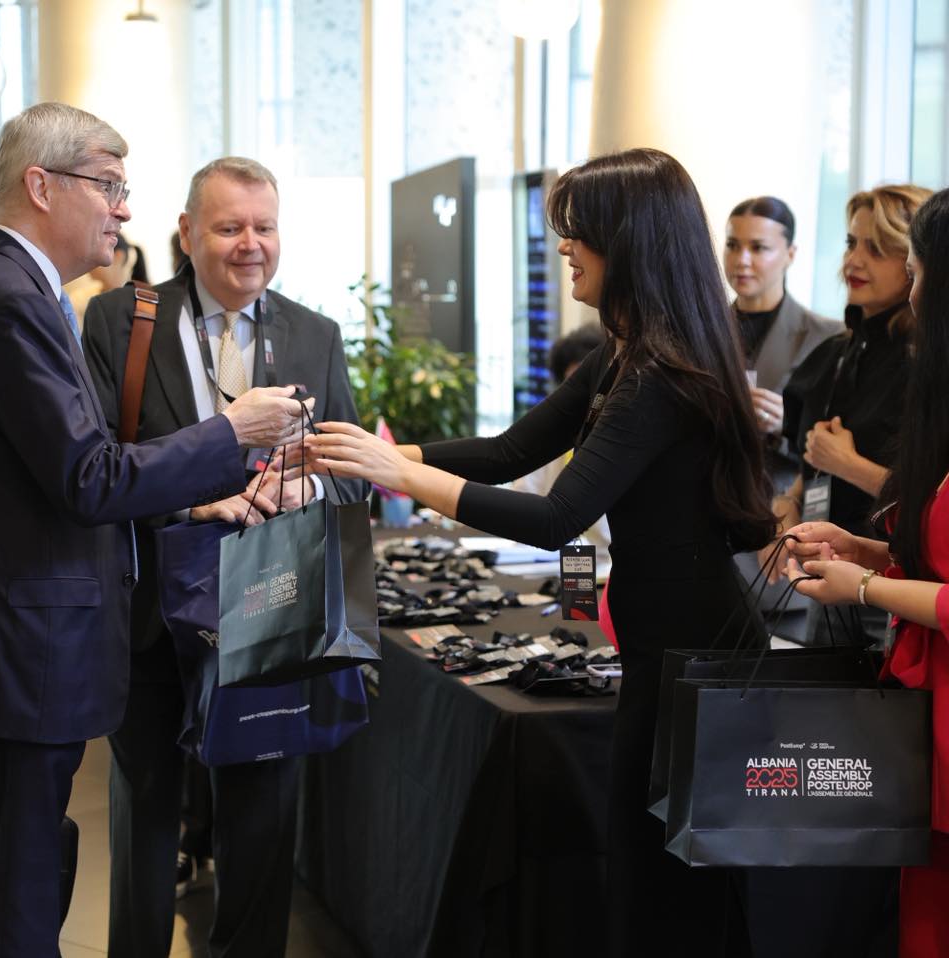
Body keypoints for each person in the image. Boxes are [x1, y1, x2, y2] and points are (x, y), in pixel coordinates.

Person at [302, 147, 775, 957]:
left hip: (698, 661)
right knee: (646, 875)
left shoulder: (659, 374)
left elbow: (557, 516)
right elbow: (508, 451)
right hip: (666, 650)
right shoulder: (625, 354)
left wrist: (400, 474)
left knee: (673, 889)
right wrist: (378, 454)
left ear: (626, 242)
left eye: (576, 231)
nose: (562, 247)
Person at [0, 103, 308, 957]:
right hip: (16, 660)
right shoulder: (8, 299)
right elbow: (88, 476)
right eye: (108, 186)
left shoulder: (1, 290)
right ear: (42, 186)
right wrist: (232, 433)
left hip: (0, 651)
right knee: (12, 914)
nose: (123, 208)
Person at [82, 156, 366, 958]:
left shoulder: (314, 335)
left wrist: (308, 487)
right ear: (186, 232)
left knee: (263, 814)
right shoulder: (122, 320)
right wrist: (192, 500)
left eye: (264, 227)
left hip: (269, 611)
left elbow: (350, 475)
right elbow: (96, 464)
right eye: (230, 226)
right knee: (145, 811)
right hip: (151, 605)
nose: (251, 244)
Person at [784, 186, 949, 957]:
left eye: (904, 264)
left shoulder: (915, 374)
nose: (861, 264)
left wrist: (868, 582)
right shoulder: (846, 352)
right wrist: (867, 552)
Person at [767, 185, 931, 647]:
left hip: (897, 586)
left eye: (875, 249)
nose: (854, 261)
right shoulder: (838, 352)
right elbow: (811, 461)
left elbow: (930, 502)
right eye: (851, 243)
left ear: (914, 262)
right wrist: (789, 503)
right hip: (832, 575)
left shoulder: (926, 364)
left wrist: (848, 465)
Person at [722, 195, 840, 482]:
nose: (742, 260)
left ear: (790, 254)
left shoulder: (827, 337)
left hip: (780, 495)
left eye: (758, 248)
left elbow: (838, 440)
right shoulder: (698, 330)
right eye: (733, 245)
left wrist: (788, 425)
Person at [511, 323, 610, 547]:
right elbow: (524, 497)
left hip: (613, 561)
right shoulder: (557, 430)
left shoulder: (625, 433)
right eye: (572, 384)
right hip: (552, 558)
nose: (582, 396)